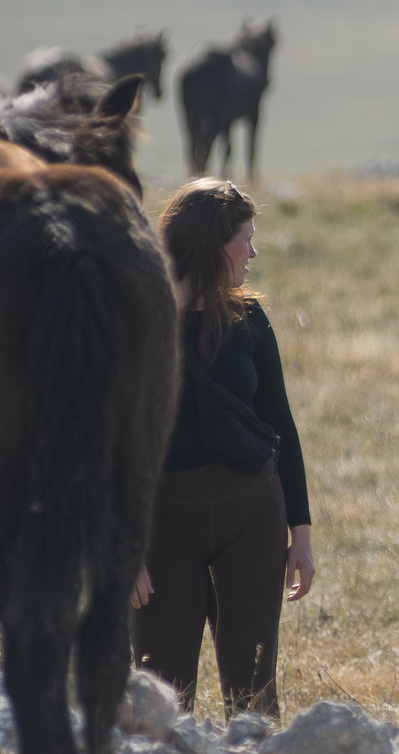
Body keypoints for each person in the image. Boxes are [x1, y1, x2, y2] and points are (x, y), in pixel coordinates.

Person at [131, 178, 315, 715]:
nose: (254, 252)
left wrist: (300, 535)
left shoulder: (249, 318)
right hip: (161, 528)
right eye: (246, 239)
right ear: (212, 244)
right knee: (158, 701)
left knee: (254, 698)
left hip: (253, 521)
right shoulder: (137, 325)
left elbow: (282, 424)